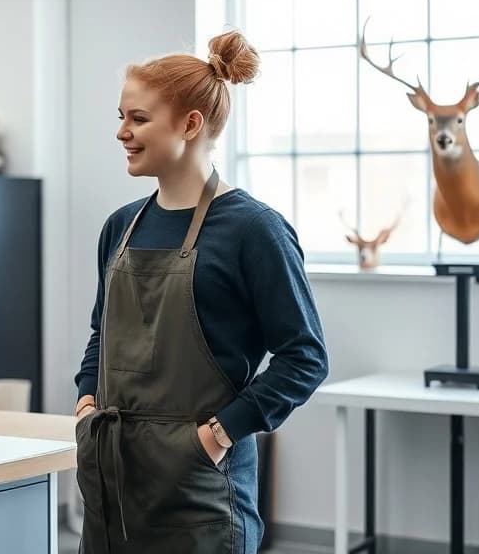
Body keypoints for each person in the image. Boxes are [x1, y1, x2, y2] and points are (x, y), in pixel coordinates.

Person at [72, 30, 329, 553]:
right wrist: (86, 402)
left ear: (190, 124)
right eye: (120, 116)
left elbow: (305, 357)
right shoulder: (120, 228)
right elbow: (104, 331)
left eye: (138, 118)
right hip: (109, 479)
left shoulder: (255, 230)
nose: (122, 132)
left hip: (200, 491)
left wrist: (216, 436)